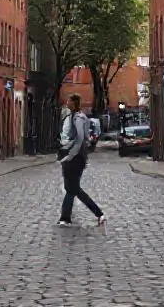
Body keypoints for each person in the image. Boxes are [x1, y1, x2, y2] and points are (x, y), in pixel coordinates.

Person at [57, 94, 106, 227]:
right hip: (71, 155)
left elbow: (80, 138)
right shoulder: (72, 116)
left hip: (76, 157)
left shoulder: (79, 118)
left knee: (72, 188)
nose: (67, 102)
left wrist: (70, 155)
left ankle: (66, 218)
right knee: (71, 188)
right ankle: (98, 214)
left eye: (69, 100)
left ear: (74, 103)